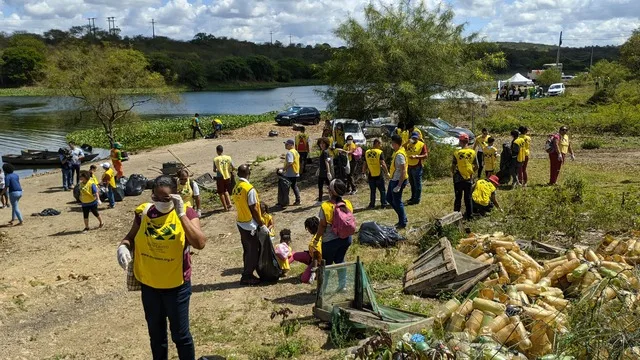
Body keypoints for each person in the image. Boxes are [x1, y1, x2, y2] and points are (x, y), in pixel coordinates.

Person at [116, 175, 206, 360]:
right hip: (150, 286)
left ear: (176, 196)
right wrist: (123, 247)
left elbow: (199, 243)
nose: (160, 201)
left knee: (181, 336)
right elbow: (130, 237)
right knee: (156, 336)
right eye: (156, 197)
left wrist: (181, 214)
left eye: (166, 199)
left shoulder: (187, 214)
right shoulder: (144, 213)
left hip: (176, 286)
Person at [232, 164, 269, 285]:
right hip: (250, 225)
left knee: (247, 250)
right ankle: (247, 276)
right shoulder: (249, 189)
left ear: (238, 174)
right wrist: (262, 224)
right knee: (253, 251)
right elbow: (254, 208)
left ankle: (248, 272)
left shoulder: (236, 187)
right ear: (249, 173)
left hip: (241, 222)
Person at [316, 179, 353, 290]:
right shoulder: (347, 204)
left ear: (331, 191)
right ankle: (342, 286)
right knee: (340, 260)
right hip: (346, 238)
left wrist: (317, 238)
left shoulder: (325, 206)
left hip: (330, 241)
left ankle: (323, 289)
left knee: (326, 264)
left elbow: (322, 225)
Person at [452, 134, 477, 220]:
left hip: (458, 179)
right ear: (468, 142)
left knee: (458, 198)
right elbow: (477, 165)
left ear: (460, 142)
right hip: (468, 179)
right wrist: (471, 172)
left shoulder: (456, 153)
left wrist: (453, 173)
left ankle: (455, 216)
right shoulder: (473, 152)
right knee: (468, 198)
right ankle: (470, 216)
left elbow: (453, 166)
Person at [292, 216, 323, 283]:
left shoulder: (315, 242)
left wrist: (313, 271)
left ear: (310, 228)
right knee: (295, 255)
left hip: (317, 261)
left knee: (304, 279)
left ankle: (316, 272)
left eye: (307, 228)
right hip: (312, 256)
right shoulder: (321, 233)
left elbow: (316, 257)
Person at [387, 135, 408, 229]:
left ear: (396, 144)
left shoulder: (399, 155)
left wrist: (399, 185)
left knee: (397, 201)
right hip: (393, 179)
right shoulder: (398, 151)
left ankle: (402, 221)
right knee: (389, 198)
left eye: (392, 143)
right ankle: (403, 217)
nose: (392, 145)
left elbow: (404, 170)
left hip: (398, 181)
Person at [362, 139, 389, 209]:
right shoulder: (379, 152)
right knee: (382, 190)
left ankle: (372, 204)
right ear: (376, 143)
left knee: (372, 191)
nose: (381, 145)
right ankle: (384, 204)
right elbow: (383, 163)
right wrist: (387, 172)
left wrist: (363, 172)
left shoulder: (367, 152)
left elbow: (365, 164)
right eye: (380, 144)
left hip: (371, 175)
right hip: (379, 175)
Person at [405, 131, 428, 205]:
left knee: (417, 184)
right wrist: (407, 142)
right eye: (413, 138)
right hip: (409, 166)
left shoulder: (421, 145)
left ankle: (417, 199)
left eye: (415, 138)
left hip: (417, 166)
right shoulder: (409, 144)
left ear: (418, 138)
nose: (414, 139)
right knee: (412, 183)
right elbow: (402, 147)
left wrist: (416, 156)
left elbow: (425, 155)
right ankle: (413, 197)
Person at [213, 145, 235, 212]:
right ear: (222, 150)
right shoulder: (228, 158)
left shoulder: (216, 159)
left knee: (221, 192)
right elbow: (233, 166)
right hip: (227, 176)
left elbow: (214, 169)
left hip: (220, 177)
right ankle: (230, 204)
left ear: (217, 151)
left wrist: (218, 170)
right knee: (226, 190)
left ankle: (225, 207)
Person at [282, 139, 301, 206]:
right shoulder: (295, 151)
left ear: (291, 145)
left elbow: (290, 162)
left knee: (286, 187)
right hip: (295, 171)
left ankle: (285, 201)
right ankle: (298, 200)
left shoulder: (290, 152)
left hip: (291, 173)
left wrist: (283, 169)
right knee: (294, 186)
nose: (285, 145)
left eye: (287, 144)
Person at [316, 137, 333, 204]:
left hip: (324, 172)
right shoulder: (323, 151)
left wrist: (328, 172)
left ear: (326, 144)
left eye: (323, 143)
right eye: (320, 143)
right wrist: (319, 169)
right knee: (323, 186)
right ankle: (322, 199)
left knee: (327, 186)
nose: (322, 145)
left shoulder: (325, 152)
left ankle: (322, 200)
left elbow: (327, 162)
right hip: (321, 171)